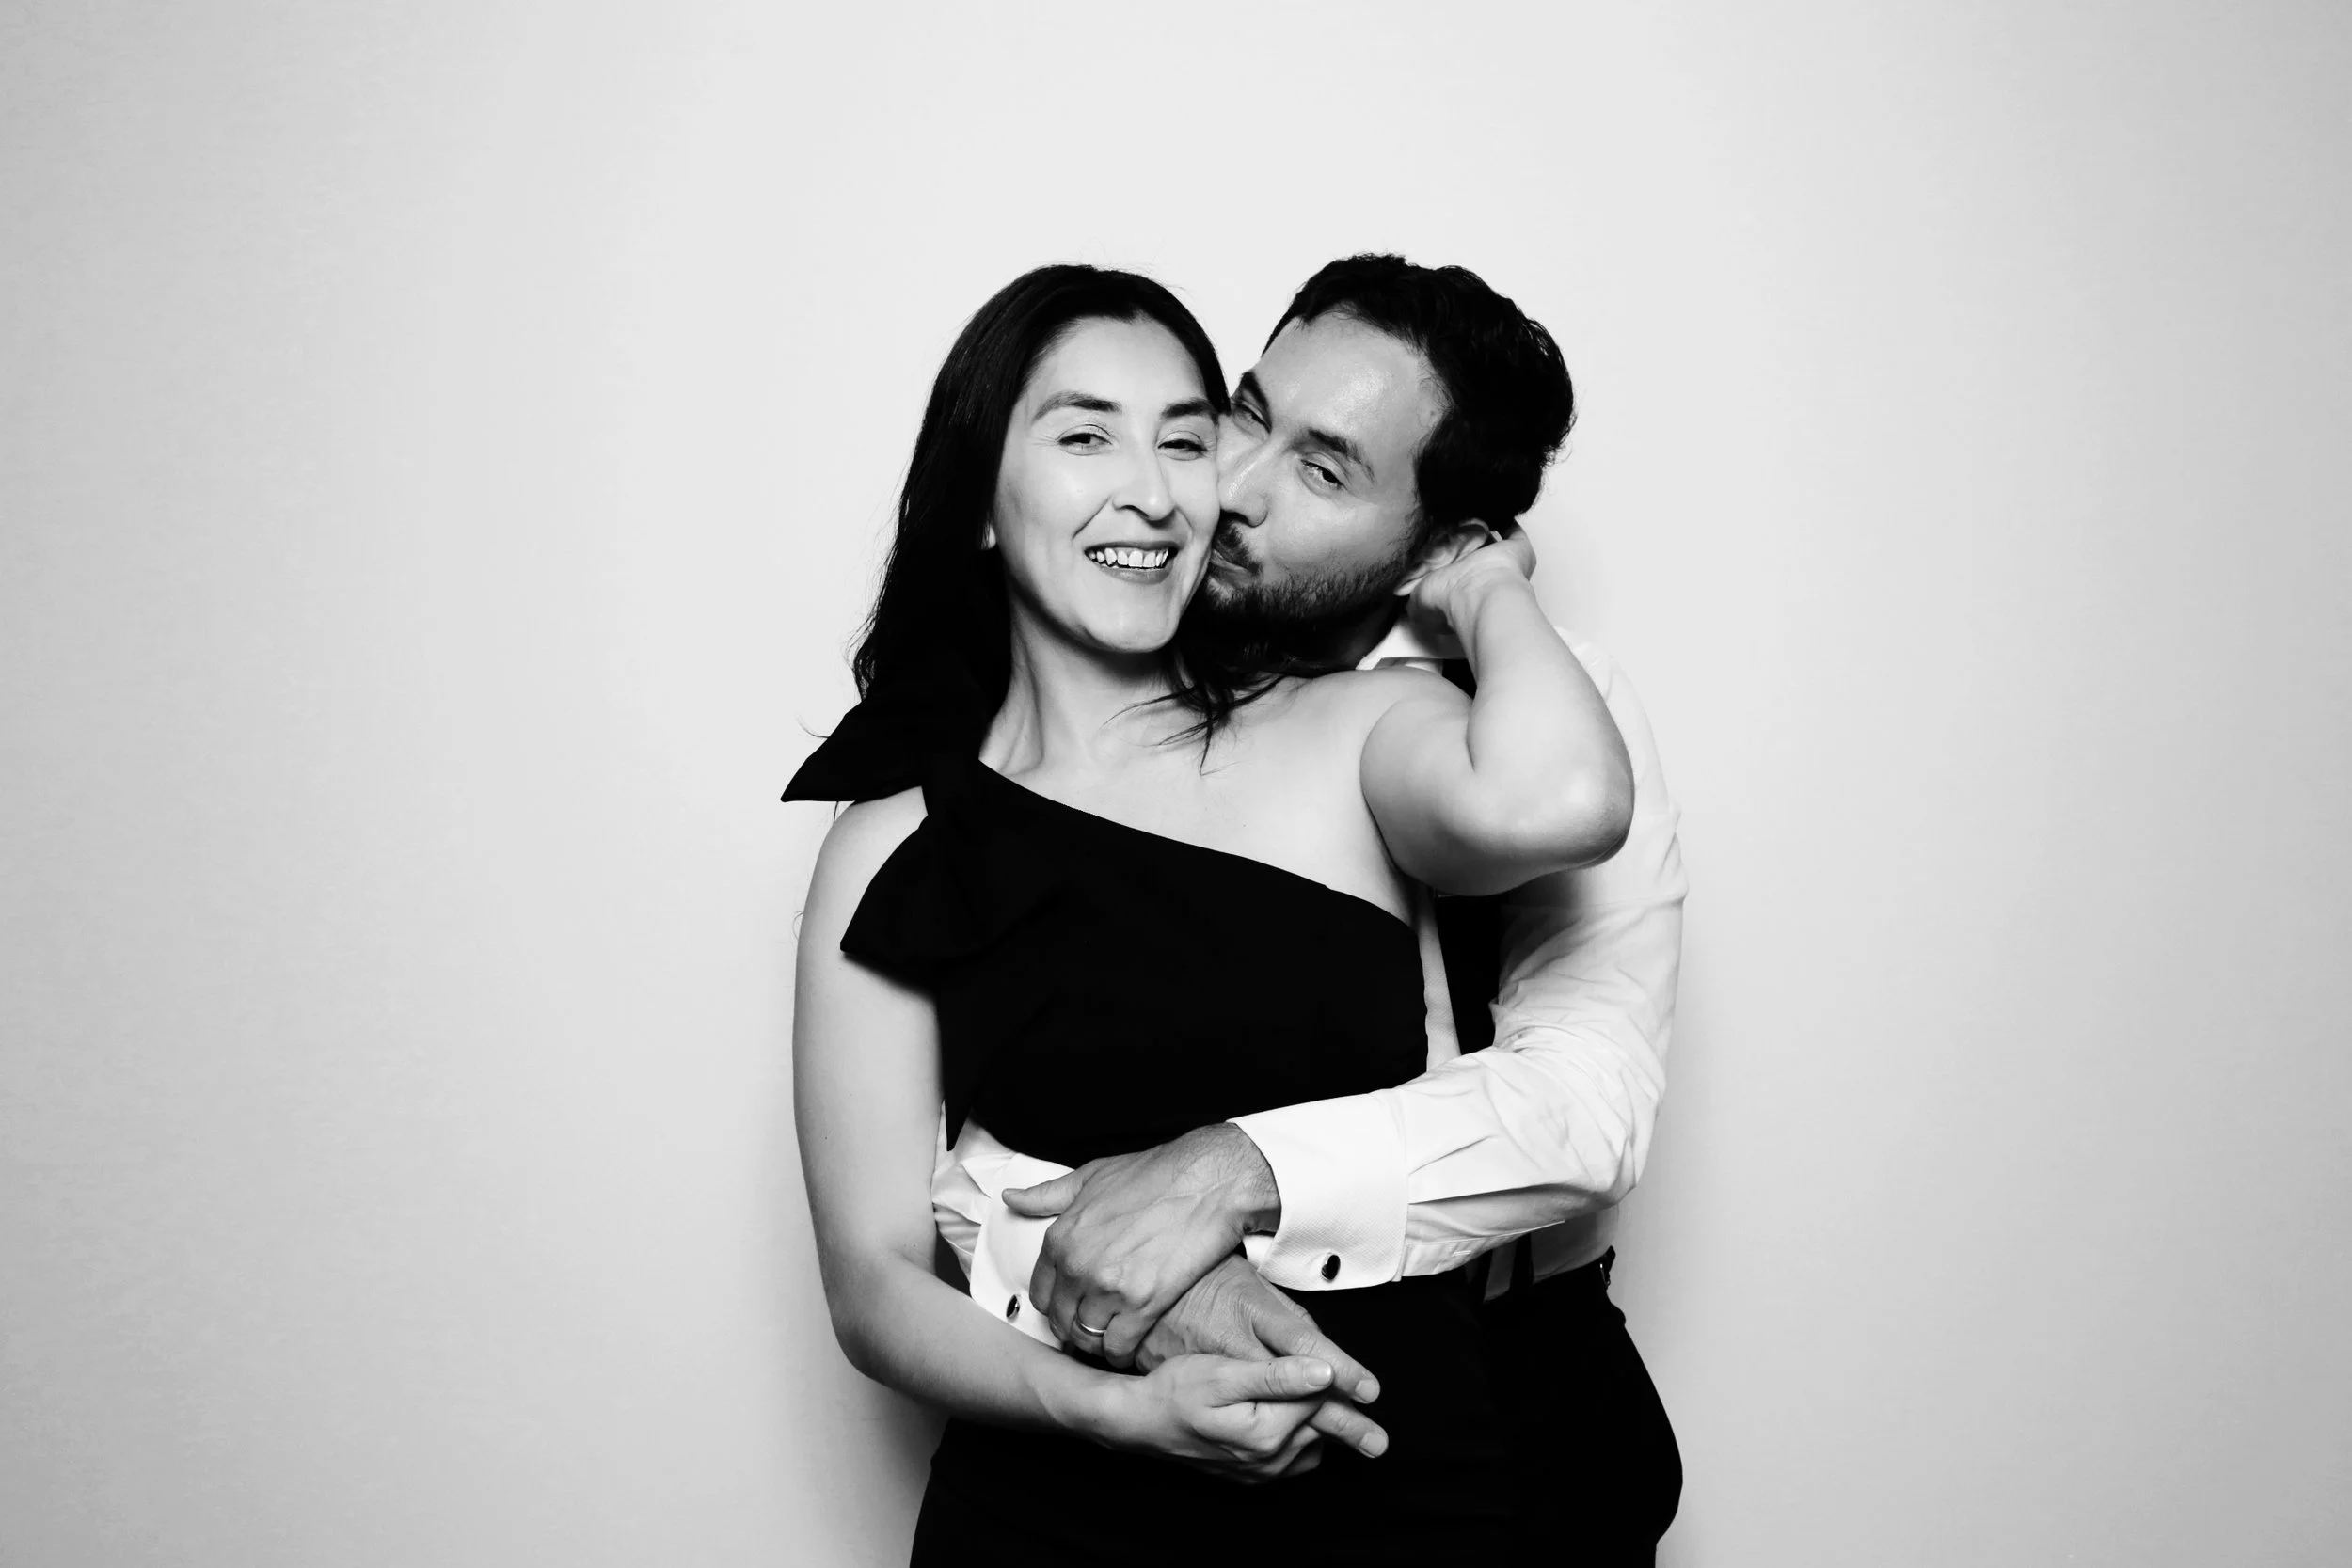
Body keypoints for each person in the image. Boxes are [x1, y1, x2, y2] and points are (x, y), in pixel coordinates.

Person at [786, 263, 1632, 1563]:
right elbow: (873, 1281)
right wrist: (1119, 1411)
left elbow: (1567, 799)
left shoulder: (1353, 724)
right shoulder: (895, 837)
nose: (1165, 483)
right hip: (1053, 1516)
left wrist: (1482, 583)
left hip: (1399, 1498)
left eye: (1185, 434)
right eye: (1084, 435)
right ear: (983, 506)